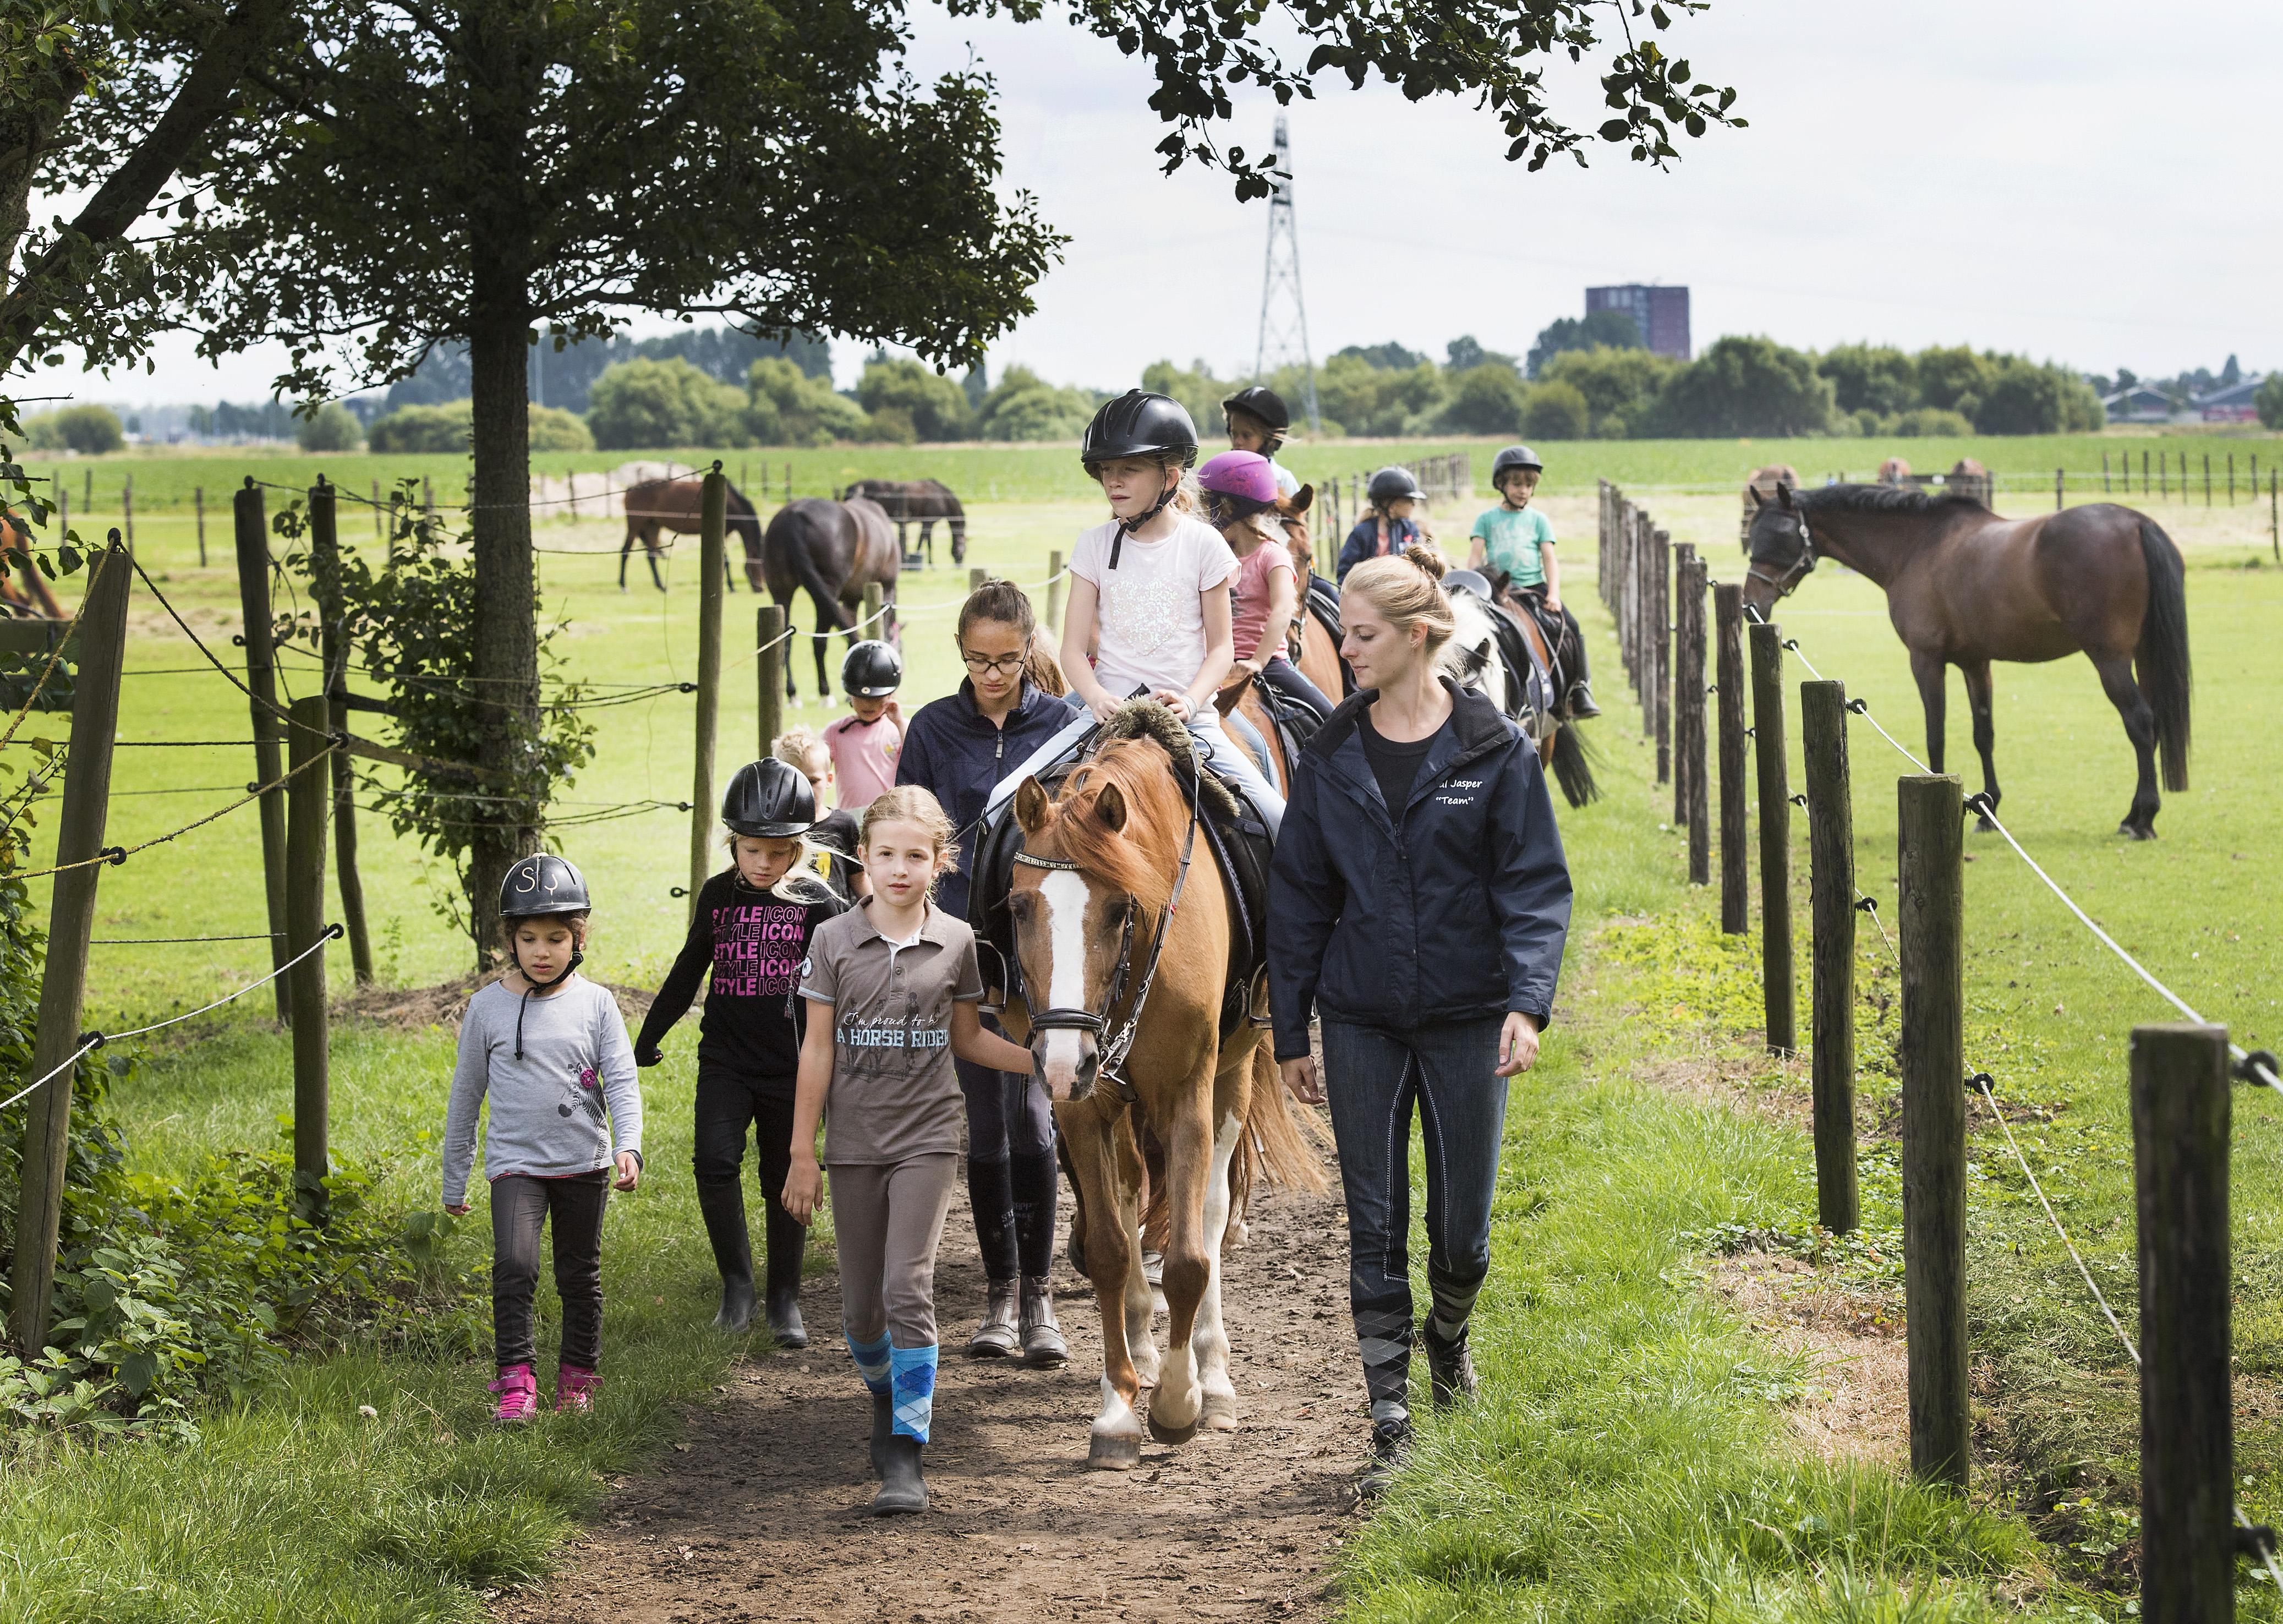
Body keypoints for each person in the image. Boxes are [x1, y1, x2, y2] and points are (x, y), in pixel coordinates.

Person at [1267, 545, 1572, 1499]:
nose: (1343, 650)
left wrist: (1525, 1004)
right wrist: (1288, 1034)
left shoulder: (1495, 752)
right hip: (1359, 1018)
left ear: (1413, 635)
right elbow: (1298, 900)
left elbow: (1532, 887)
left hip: (1467, 1018)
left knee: (1462, 1236)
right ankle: (1389, 1421)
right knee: (1373, 1222)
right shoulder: (1326, 758)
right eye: (1344, 634)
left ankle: (1447, 1338)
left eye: (1359, 635)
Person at [782, 786, 1039, 1516]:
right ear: (862, 858)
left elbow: (968, 1038)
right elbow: (816, 1050)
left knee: (907, 1286)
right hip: (855, 1143)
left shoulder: (958, 940)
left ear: (939, 863)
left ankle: (904, 1449)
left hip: (929, 1136)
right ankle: (887, 1394)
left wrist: (1042, 1059)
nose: (900, 868)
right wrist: (804, 1152)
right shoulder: (832, 941)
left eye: (916, 856)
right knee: (862, 1312)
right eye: (886, 854)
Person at [895, 579, 1075, 1364]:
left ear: (1030, 649)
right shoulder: (934, 727)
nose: (992, 675)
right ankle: (998, 1295)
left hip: (1041, 956)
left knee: (1036, 1118)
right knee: (989, 1122)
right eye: (976, 660)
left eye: (1006, 660)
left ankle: (1040, 1302)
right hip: (965, 951)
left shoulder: (1066, 725)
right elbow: (909, 827)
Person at [994, 389, 1286, 836]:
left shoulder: (1204, 544)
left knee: (1280, 821)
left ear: (1169, 477)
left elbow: (1221, 649)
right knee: (999, 804)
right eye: (1106, 470)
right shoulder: (1092, 544)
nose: (1114, 482)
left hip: (1193, 720)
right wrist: (1095, 698)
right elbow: (1072, 650)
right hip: (1105, 715)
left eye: (1129, 470)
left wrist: (1190, 701)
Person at [634, 759, 846, 1348]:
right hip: (725, 1058)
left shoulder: (817, 902)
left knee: (784, 1176)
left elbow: (845, 984)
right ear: (735, 843)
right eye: (751, 850)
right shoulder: (718, 893)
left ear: (798, 849)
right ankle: (738, 1287)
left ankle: (784, 1297)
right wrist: (649, 1035)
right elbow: (687, 969)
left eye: (777, 853)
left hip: (794, 1065)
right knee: (714, 1160)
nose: (762, 863)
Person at [443, 854, 644, 1423]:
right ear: (510, 938)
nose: (541, 950)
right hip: (516, 1165)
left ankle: (577, 1379)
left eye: (556, 937)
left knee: (579, 1273)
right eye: (528, 937)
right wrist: (454, 1177)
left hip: (583, 1161)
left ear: (578, 937)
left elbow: (622, 1080)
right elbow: (465, 1098)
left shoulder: (597, 1004)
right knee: (514, 1263)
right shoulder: (485, 1008)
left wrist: (627, 1144)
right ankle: (516, 1380)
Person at [1465, 444, 1598, 718]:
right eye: (1516, 484)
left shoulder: (1539, 520)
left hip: (1534, 589)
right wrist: (1474, 588)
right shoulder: (1486, 519)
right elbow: (1475, 558)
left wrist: (1555, 594)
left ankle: (1579, 689)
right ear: (1502, 484)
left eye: (1528, 485)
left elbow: (1550, 559)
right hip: (1498, 588)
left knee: (1571, 626)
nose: (1522, 490)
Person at [1198, 450, 1332, 721]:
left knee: (1332, 717)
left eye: (1207, 508)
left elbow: (1283, 610)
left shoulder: (1274, 556)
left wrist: (1258, 661)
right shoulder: (1210, 556)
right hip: (1214, 664)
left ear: (1227, 509)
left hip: (1268, 663)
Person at [775, 725, 866, 900]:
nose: (805, 790)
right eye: (795, 781)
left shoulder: (843, 824)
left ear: (829, 780)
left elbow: (858, 878)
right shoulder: (775, 828)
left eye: (813, 781)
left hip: (837, 921)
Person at [825, 641, 905, 811]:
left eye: (876, 698)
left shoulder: (898, 729)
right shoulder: (835, 732)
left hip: (888, 815)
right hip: (850, 818)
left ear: (891, 694)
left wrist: (899, 723)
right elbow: (816, 767)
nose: (867, 704)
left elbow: (916, 758)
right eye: (860, 697)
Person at [1335, 466, 1428, 583]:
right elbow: (1345, 573)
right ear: (1393, 506)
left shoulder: (1410, 530)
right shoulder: (1361, 534)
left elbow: (1419, 568)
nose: (1413, 505)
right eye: (1409, 500)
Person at [1221, 384, 1300, 499]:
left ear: (1270, 441)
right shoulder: (1222, 476)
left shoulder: (1283, 481)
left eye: (1247, 435)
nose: (1237, 442)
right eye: (1234, 434)